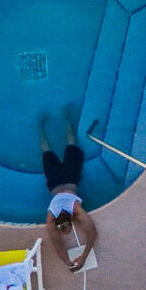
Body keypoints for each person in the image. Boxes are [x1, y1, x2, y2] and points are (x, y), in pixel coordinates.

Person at [38, 109, 101, 274]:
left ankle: (47, 123)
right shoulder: (57, 215)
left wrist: (78, 259)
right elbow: (90, 233)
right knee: (52, 150)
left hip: (69, 178)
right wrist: (76, 260)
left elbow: (91, 233)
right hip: (57, 181)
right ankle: (61, 119)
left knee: (62, 147)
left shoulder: (71, 211)